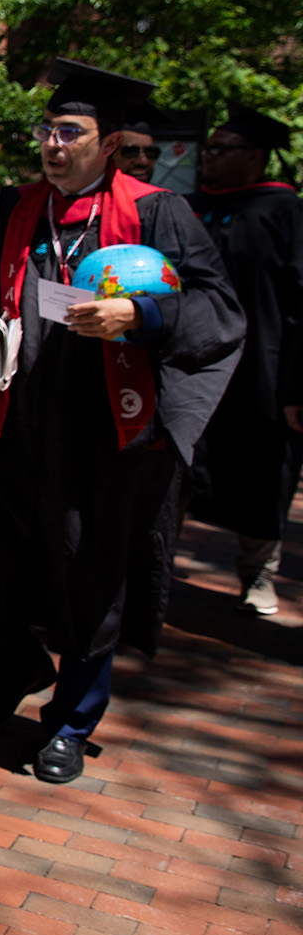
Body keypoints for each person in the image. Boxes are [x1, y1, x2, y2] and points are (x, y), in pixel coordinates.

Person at [0, 60, 243, 784]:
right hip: (14, 421)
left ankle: (72, 721)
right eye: (45, 130)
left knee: (90, 574)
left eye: (69, 132)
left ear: (108, 145)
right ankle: (18, 671)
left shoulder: (156, 212)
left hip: (103, 433)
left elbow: (217, 309)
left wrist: (140, 314)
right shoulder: (14, 207)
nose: (52, 144)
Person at [187, 105, 303, 615]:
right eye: (207, 149)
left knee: (264, 469)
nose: (207, 158)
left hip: (262, 368)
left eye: (220, 150)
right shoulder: (187, 207)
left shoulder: (285, 213)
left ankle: (258, 571)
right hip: (191, 360)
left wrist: (298, 386)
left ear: (254, 157)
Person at [114, 114, 160, 184]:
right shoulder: (93, 194)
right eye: (131, 152)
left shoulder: (162, 194)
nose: (143, 161)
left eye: (151, 152)